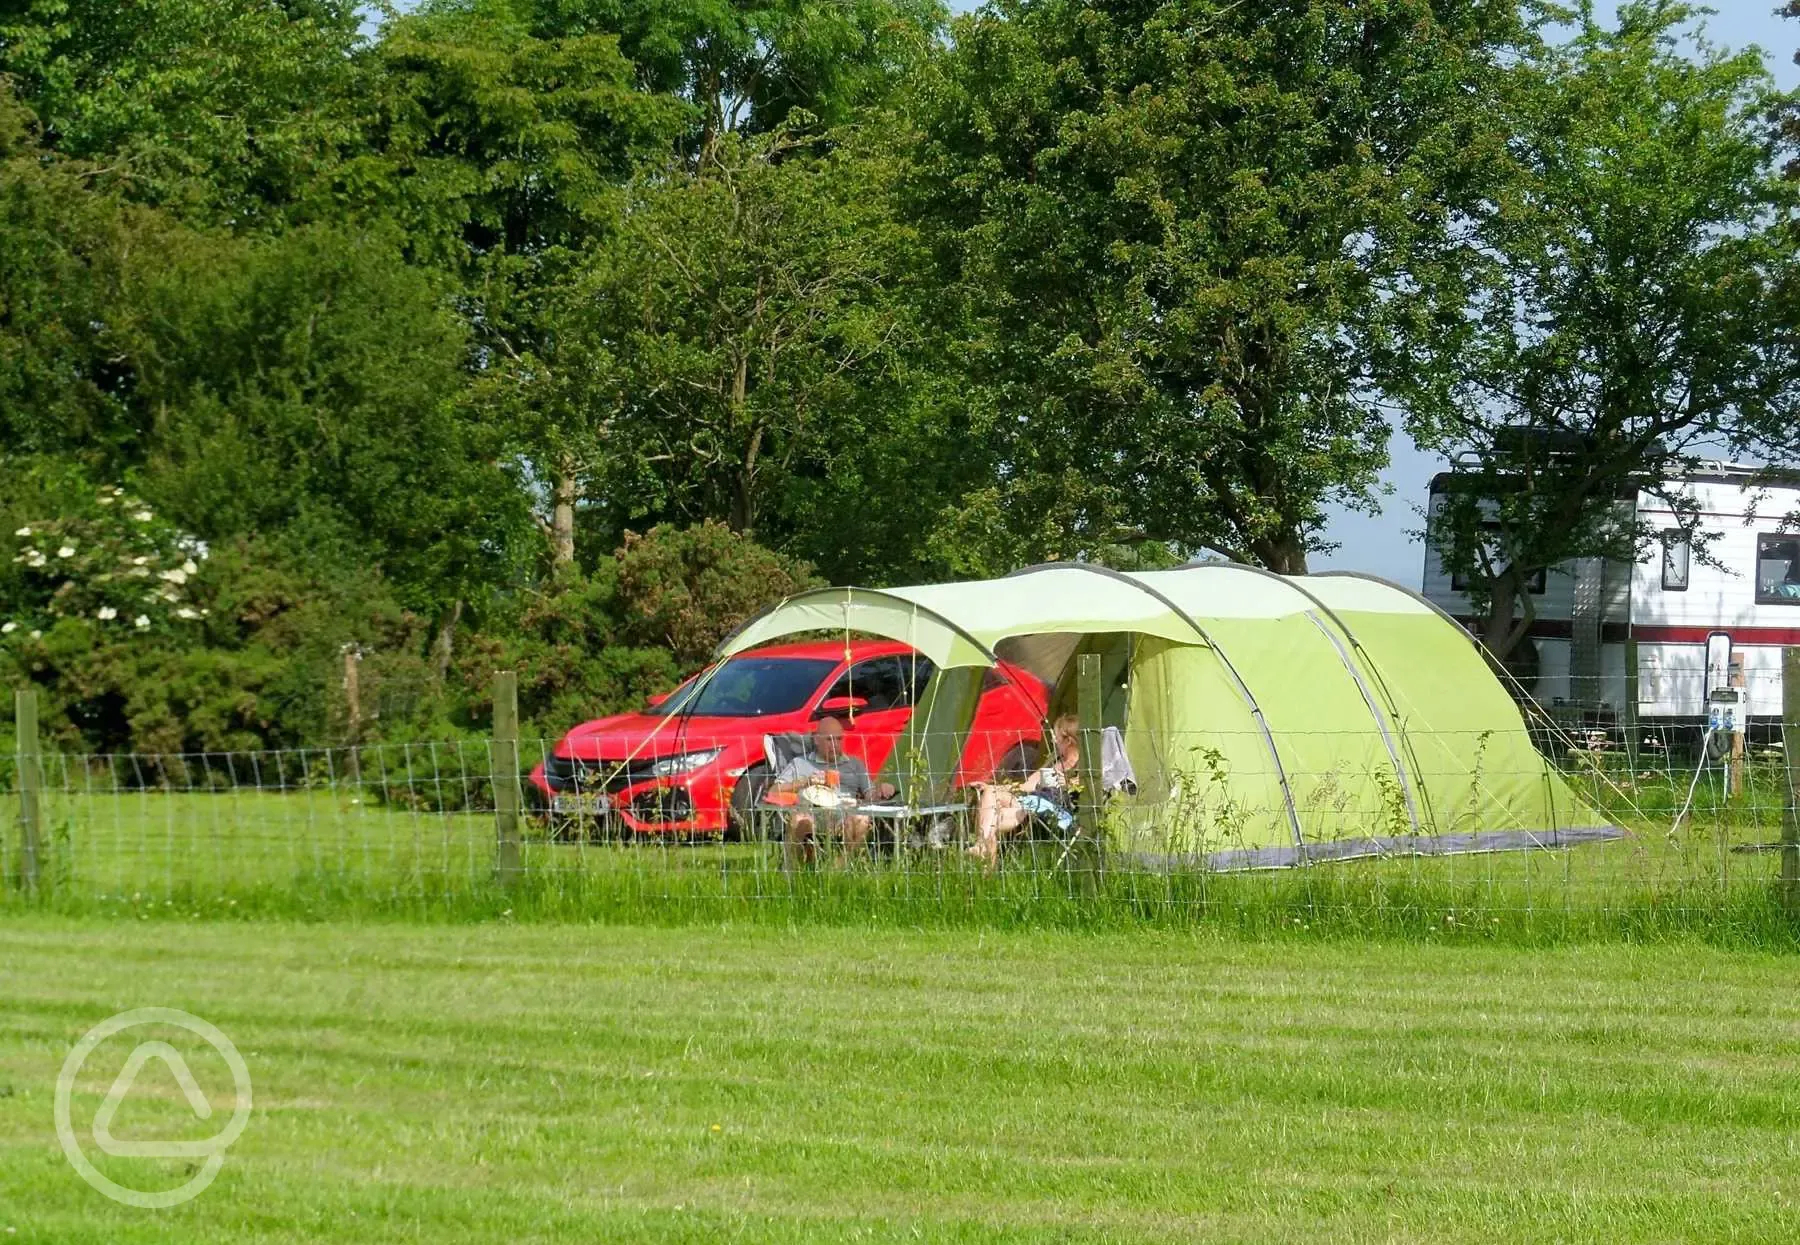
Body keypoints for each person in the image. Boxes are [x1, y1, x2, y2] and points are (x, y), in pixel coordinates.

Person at [767, 716, 895, 866]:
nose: (835, 745)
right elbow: (774, 791)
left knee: (862, 819)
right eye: (829, 740)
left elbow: (870, 797)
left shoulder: (854, 764)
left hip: (844, 817)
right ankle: (793, 873)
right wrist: (805, 782)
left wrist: (882, 790)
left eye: (839, 739)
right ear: (816, 740)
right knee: (798, 820)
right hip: (812, 815)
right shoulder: (800, 763)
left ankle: (839, 868)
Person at [969, 714, 1080, 867]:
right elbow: (1027, 785)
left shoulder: (1083, 766)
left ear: (1068, 741)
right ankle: (982, 847)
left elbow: (1086, 790)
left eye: (1057, 737)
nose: (1053, 740)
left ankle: (987, 871)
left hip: (1056, 812)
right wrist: (992, 786)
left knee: (991, 820)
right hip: (1033, 803)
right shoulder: (1054, 761)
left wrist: (1067, 783)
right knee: (990, 796)